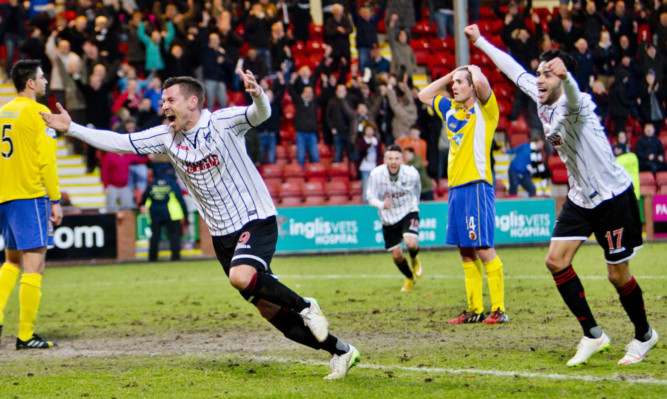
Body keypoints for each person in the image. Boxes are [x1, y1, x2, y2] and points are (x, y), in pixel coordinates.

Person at [40, 69, 359, 379]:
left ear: (192, 102)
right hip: (222, 235)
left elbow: (260, 114)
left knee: (240, 276)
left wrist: (258, 94)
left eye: (169, 99)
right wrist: (73, 129)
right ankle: (340, 351)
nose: (163, 105)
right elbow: (120, 142)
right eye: (162, 101)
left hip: (254, 216)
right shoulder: (166, 138)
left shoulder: (222, 122)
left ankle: (307, 305)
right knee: (269, 310)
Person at [465, 23, 658, 366]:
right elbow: (513, 71)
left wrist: (566, 77)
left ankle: (644, 335)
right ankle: (593, 335)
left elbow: (571, 94)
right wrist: (480, 41)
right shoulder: (541, 97)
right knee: (555, 261)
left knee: (617, 275)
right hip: (581, 197)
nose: (539, 79)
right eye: (539, 73)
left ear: (562, 78)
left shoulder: (577, 102)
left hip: (612, 197)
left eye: (548, 75)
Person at [418, 63, 508, 326]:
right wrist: (449, 75)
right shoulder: (449, 109)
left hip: (477, 185)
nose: (454, 86)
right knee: (465, 251)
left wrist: (473, 69)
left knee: (483, 248)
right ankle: (474, 309)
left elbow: (482, 84)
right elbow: (424, 95)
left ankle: (499, 309)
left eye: (459, 82)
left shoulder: (485, 111)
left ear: (471, 86)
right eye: (453, 83)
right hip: (456, 188)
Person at [0, 60, 63, 349]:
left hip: (5, 198)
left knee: (11, 261)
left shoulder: (3, 112)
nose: (45, 81)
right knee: (34, 266)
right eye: (41, 77)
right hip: (29, 196)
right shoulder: (40, 113)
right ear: (30, 83)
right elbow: (46, 160)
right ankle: (25, 335)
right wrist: (55, 199)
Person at [366, 144, 423, 292]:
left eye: (396, 158)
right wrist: (381, 204)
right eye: (390, 158)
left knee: (411, 243)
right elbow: (370, 197)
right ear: (385, 159)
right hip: (388, 216)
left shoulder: (412, 173)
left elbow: (418, 189)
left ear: (402, 160)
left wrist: (415, 205)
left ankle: (414, 258)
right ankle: (410, 278)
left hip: (408, 210)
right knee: (397, 256)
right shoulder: (376, 174)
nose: (393, 161)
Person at [140, 166, 188, 262]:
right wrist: (185, 215)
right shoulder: (172, 183)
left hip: (155, 213)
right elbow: (180, 199)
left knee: (155, 236)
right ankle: (175, 257)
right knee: (174, 235)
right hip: (171, 213)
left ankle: (152, 258)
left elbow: (145, 197)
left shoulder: (152, 183)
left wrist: (141, 204)